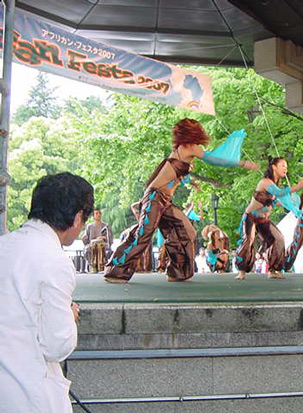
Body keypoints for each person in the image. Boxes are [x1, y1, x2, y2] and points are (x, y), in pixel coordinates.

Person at [103, 120, 257, 283]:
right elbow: (215, 159)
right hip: (155, 197)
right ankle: (115, 270)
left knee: (187, 231)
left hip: (164, 200)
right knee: (144, 233)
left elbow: (176, 174)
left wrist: (191, 182)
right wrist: (242, 163)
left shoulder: (182, 149)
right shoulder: (190, 147)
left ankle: (178, 271)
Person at [0, 172, 93, 413]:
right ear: (77, 218)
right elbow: (57, 345)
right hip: (28, 394)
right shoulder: (55, 261)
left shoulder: (4, 246)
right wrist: (70, 316)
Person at [235, 157, 303, 280]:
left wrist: (294, 205)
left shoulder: (276, 185)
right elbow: (280, 193)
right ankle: (242, 270)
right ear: (274, 167)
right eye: (282, 165)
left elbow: (280, 199)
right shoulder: (265, 182)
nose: (285, 168)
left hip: (263, 220)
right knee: (249, 240)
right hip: (251, 217)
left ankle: (274, 269)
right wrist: (298, 186)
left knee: (278, 238)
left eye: (286, 166)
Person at [82, 208, 113, 272]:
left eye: (100, 213)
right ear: (93, 216)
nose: (98, 215)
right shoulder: (89, 226)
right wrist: (85, 239)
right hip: (92, 245)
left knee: (105, 249)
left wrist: (104, 238)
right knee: (87, 249)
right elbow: (86, 239)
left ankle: (103, 266)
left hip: (104, 245)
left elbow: (110, 238)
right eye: (96, 213)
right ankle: (92, 266)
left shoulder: (106, 226)